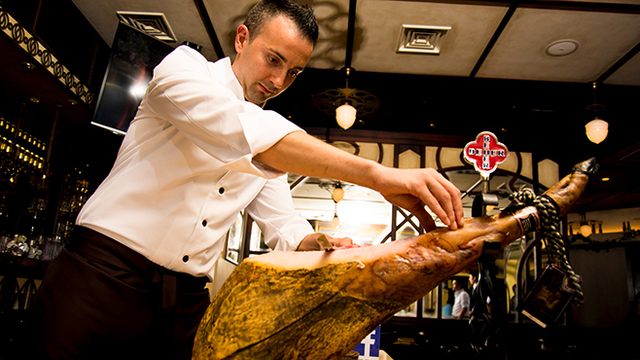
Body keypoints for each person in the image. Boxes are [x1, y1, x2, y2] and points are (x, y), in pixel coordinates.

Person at [26, 0, 464, 358]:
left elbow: (284, 225)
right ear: (242, 38)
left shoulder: (269, 129)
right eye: (272, 60)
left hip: (183, 303)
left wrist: (320, 245)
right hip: (100, 277)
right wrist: (377, 175)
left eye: (293, 72)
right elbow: (242, 133)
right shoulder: (184, 69)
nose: (278, 81)